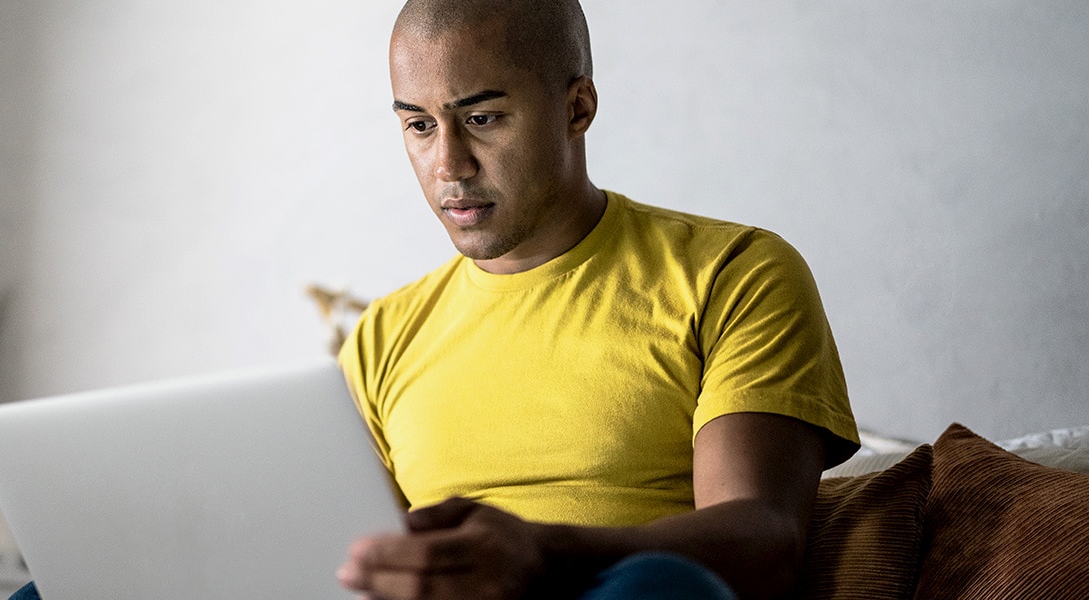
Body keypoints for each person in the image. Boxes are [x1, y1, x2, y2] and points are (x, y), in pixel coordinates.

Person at [332, 1, 858, 599]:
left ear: (576, 108)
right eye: (419, 125)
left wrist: (544, 553)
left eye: (482, 118)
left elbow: (764, 542)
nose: (449, 164)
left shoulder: (733, 273)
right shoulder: (382, 336)